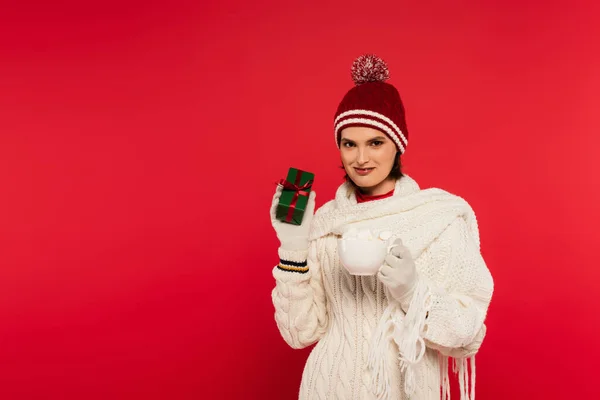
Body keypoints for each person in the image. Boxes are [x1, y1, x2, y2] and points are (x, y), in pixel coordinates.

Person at [269, 54, 494, 400]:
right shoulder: (326, 223)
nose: (361, 159)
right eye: (349, 144)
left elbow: (466, 330)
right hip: (327, 388)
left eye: (375, 143)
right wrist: (293, 248)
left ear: (397, 145)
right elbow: (299, 333)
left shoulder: (439, 218)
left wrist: (413, 292)